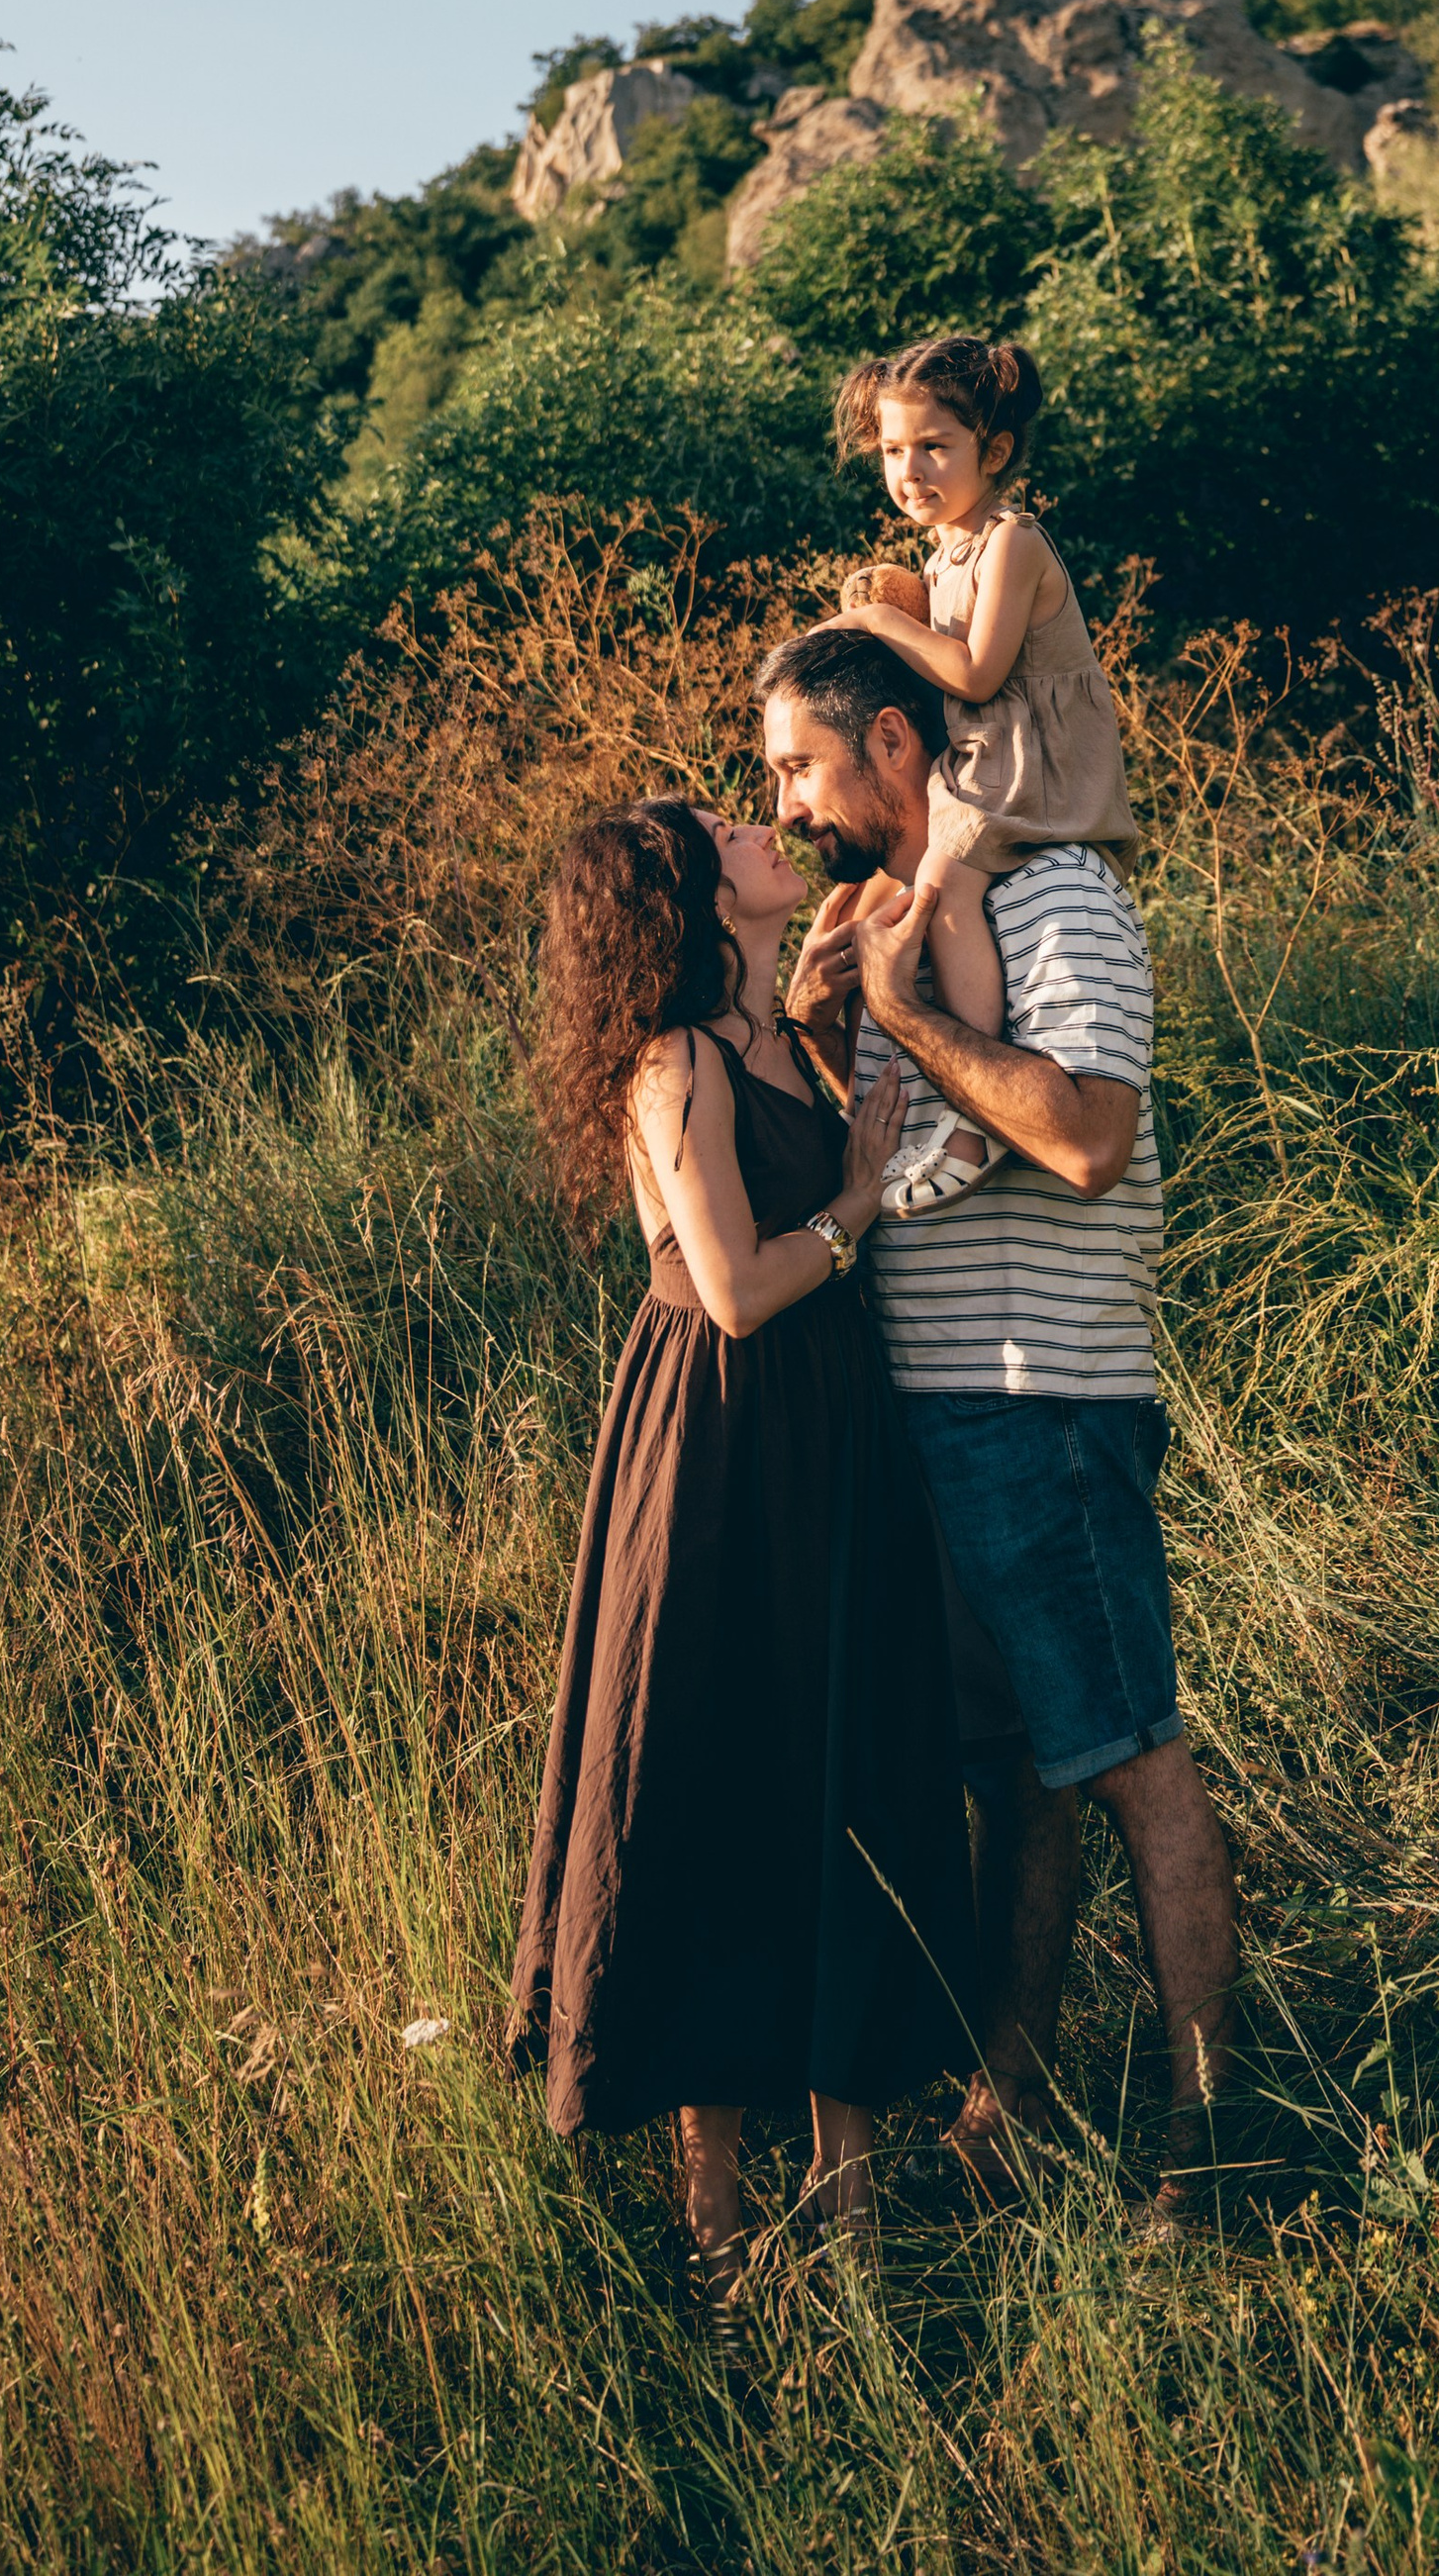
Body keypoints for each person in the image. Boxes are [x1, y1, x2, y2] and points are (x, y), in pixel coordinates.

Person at [758, 626, 1237, 2228]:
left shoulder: (1058, 900)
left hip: (1047, 1403)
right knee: (1020, 1775)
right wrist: (844, 1031)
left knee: (1130, 1763)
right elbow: (920, 1160)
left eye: (801, 767)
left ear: (896, 747)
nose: (786, 803)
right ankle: (1006, 2102)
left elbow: (1088, 1137)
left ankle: (1206, 2137)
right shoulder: (890, 924)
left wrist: (902, 1006)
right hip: (938, 1408)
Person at [504, 799, 976, 2335]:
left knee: (834, 1778)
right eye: (725, 829)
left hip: (831, 1444)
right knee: (711, 1782)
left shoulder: (786, 1035)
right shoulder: (679, 1064)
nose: (764, 824)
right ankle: (721, 2248)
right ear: (692, 898)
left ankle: (848, 2236)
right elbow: (730, 1289)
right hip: (714, 1456)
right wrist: (853, 1201)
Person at [825, 334, 1139, 1217]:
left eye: (934, 446)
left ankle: (981, 1117)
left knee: (945, 892)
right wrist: (894, 601)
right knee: (916, 883)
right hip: (983, 759)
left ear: (993, 453)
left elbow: (975, 675)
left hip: (1030, 765)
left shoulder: (1013, 542)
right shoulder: (944, 553)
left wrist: (882, 625)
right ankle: (956, 1093)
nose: (909, 469)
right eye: (892, 451)